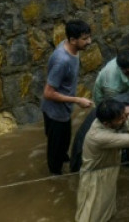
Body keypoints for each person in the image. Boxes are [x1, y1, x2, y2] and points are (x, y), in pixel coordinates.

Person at [41, 20, 94, 175]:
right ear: (72, 40)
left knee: (64, 144)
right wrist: (78, 100)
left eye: (89, 37)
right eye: (84, 39)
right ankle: (55, 176)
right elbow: (48, 93)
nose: (89, 42)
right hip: (55, 113)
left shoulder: (72, 49)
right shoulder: (62, 61)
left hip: (64, 110)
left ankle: (62, 160)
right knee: (55, 152)